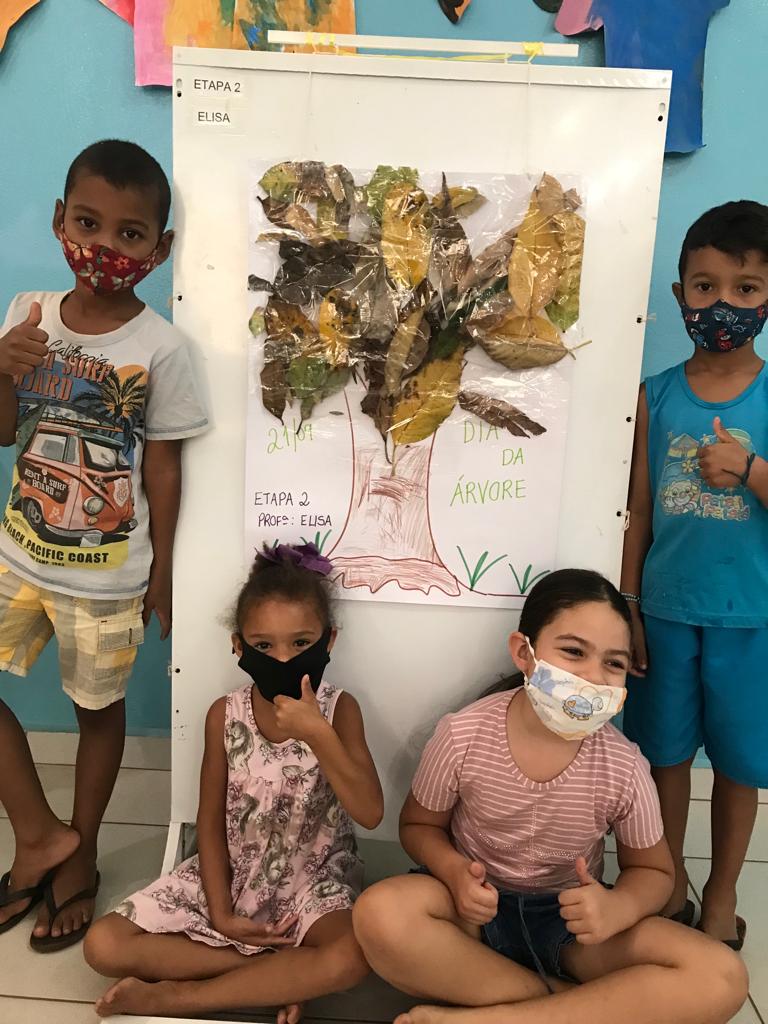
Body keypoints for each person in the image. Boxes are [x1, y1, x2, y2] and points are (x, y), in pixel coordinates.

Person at [352, 570, 748, 1024]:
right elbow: (418, 826)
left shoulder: (624, 766)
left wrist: (618, 907)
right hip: (470, 914)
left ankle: (490, 1016)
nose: (592, 676)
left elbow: (654, 872)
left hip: (571, 925)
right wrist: (454, 872)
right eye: (574, 652)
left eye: (613, 663)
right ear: (524, 652)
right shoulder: (463, 735)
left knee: (721, 976)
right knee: (380, 914)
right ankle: (570, 1006)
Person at [0, 139, 208, 951]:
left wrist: (165, 574)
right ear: (60, 219)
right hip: (17, 554)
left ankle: (79, 856)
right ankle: (39, 835)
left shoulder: (163, 348)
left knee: (97, 711)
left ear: (160, 248)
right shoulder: (27, 313)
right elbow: (6, 433)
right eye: (87, 223)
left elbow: (162, 466)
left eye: (129, 234)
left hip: (108, 575)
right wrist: (2, 370)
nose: (104, 248)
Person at [85, 543, 383, 1022]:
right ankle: (279, 974)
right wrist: (222, 913)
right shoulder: (224, 715)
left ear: (328, 641)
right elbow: (208, 819)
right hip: (234, 872)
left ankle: (181, 998)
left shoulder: (340, 710)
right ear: (239, 646)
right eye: (264, 646)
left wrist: (318, 734)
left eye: (300, 643)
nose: (283, 659)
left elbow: (370, 812)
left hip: (314, 881)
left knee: (354, 954)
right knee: (103, 944)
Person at [621, 200, 768, 950]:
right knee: (665, 756)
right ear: (680, 293)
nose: (722, 305)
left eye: (746, 289)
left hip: (752, 618)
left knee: (740, 766)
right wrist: (629, 605)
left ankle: (721, 893)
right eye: (705, 287)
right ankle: (668, 880)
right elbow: (638, 511)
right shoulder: (653, 396)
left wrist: (750, 468)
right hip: (667, 612)